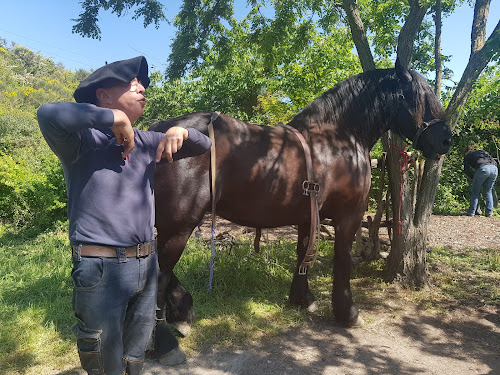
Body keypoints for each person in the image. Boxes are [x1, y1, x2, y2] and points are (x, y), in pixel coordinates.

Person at [37, 56, 212, 375]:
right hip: (100, 268)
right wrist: (113, 118)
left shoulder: (147, 141)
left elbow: (205, 145)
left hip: (147, 265)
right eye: (132, 83)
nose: (142, 87)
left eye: (142, 83)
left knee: (136, 354)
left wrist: (181, 132)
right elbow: (47, 113)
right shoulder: (80, 142)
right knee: (104, 358)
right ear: (102, 95)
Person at [463, 147, 498, 217]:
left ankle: (471, 212)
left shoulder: (467, 155)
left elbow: (466, 170)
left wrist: (472, 177)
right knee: (488, 191)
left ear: (466, 152)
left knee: (475, 191)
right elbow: (493, 161)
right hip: (494, 169)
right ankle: (489, 212)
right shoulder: (482, 152)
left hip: (483, 169)